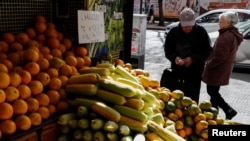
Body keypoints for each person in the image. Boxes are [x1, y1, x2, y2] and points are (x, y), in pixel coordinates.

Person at [163, 8, 212, 103]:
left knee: (192, 101)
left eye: (190, 25)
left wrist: (193, 59)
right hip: (177, 72)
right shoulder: (173, 32)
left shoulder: (201, 32)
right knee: (176, 100)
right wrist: (175, 58)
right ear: (180, 22)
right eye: (185, 26)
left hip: (195, 73)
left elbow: (208, 51)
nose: (188, 28)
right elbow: (167, 50)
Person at [202, 11, 243, 120]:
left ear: (228, 23)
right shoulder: (230, 34)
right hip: (222, 69)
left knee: (212, 91)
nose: (218, 23)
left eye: (221, 21)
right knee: (214, 92)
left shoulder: (226, 36)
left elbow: (219, 57)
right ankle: (213, 114)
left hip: (217, 70)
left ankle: (229, 110)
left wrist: (208, 65)